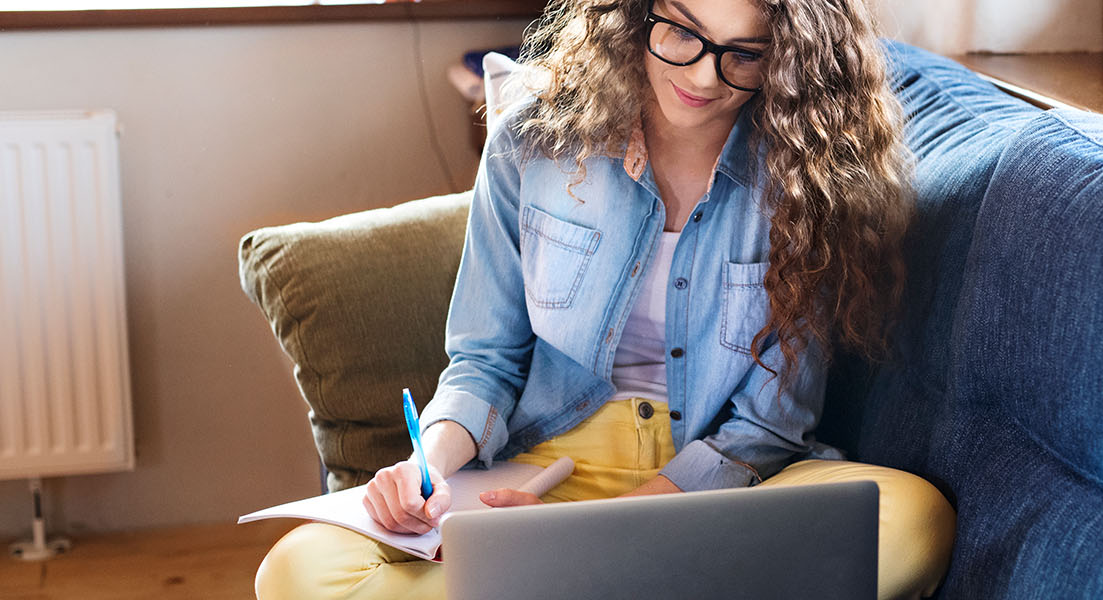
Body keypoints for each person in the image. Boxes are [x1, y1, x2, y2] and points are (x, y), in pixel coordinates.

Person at [255, 0, 955, 597]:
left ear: (788, 56)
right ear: (636, 13)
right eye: (681, 31)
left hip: (717, 481)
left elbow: (767, 429)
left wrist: (607, 531)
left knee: (912, 518)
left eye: (745, 54)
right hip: (548, 467)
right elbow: (484, 362)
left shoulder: (812, 176)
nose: (703, 76)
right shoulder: (533, 141)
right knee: (298, 568)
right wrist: (426, 464)